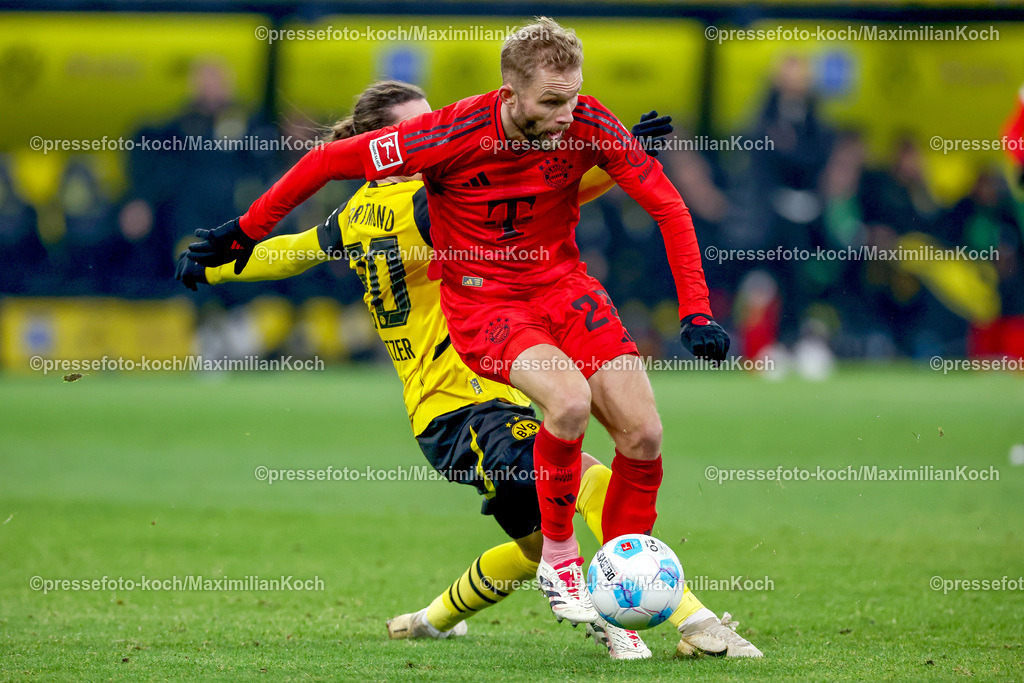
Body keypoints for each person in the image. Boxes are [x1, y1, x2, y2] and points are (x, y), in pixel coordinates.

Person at [178, 79, 761, 660]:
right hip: (464, 410)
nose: (442, 129)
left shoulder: (357, 213)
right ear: (384, 144)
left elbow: (291, 251)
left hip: (458, 407)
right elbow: (524, 202)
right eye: (420, 125)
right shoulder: (418, 205)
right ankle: (689, 619)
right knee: (590, 482)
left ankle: (427, 622)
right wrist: (616, 158)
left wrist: (213, 268)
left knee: (533, 546)